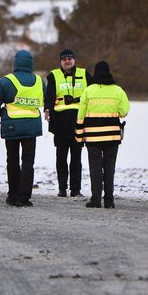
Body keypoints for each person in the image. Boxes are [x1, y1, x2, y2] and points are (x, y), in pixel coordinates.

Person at [0, 49, 45, 207]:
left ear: (15, 63)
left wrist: (0, 113)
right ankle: (24, 197)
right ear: (31, 63)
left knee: (12, 161)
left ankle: (12, 196)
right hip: (31, 127)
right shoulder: (39, 81)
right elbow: (47, 100)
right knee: (28, 162)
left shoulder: (6, 81)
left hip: (12, 126)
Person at [75, 61, 130, 209]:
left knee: (95, 169)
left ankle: (95, 200)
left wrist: (79, 135)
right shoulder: (118, 91)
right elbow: (124, 112)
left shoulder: (88, 91)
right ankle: (109, 200)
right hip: (112, 137)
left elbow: (80, 115)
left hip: (92, 137)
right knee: (109, 168)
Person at [44, 48, 92, 198]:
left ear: (74, 60)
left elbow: (93, 92)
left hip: (78, 122)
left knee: (76, 159)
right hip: (60, 123)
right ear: (61, 61)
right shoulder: (54, 75)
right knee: (61, 158)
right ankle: (62, 189)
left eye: (70, 58)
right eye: (64, 59)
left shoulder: (84, 74)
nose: (67, 61)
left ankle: (76, 190)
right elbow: (49, 96)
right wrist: (47, 109)